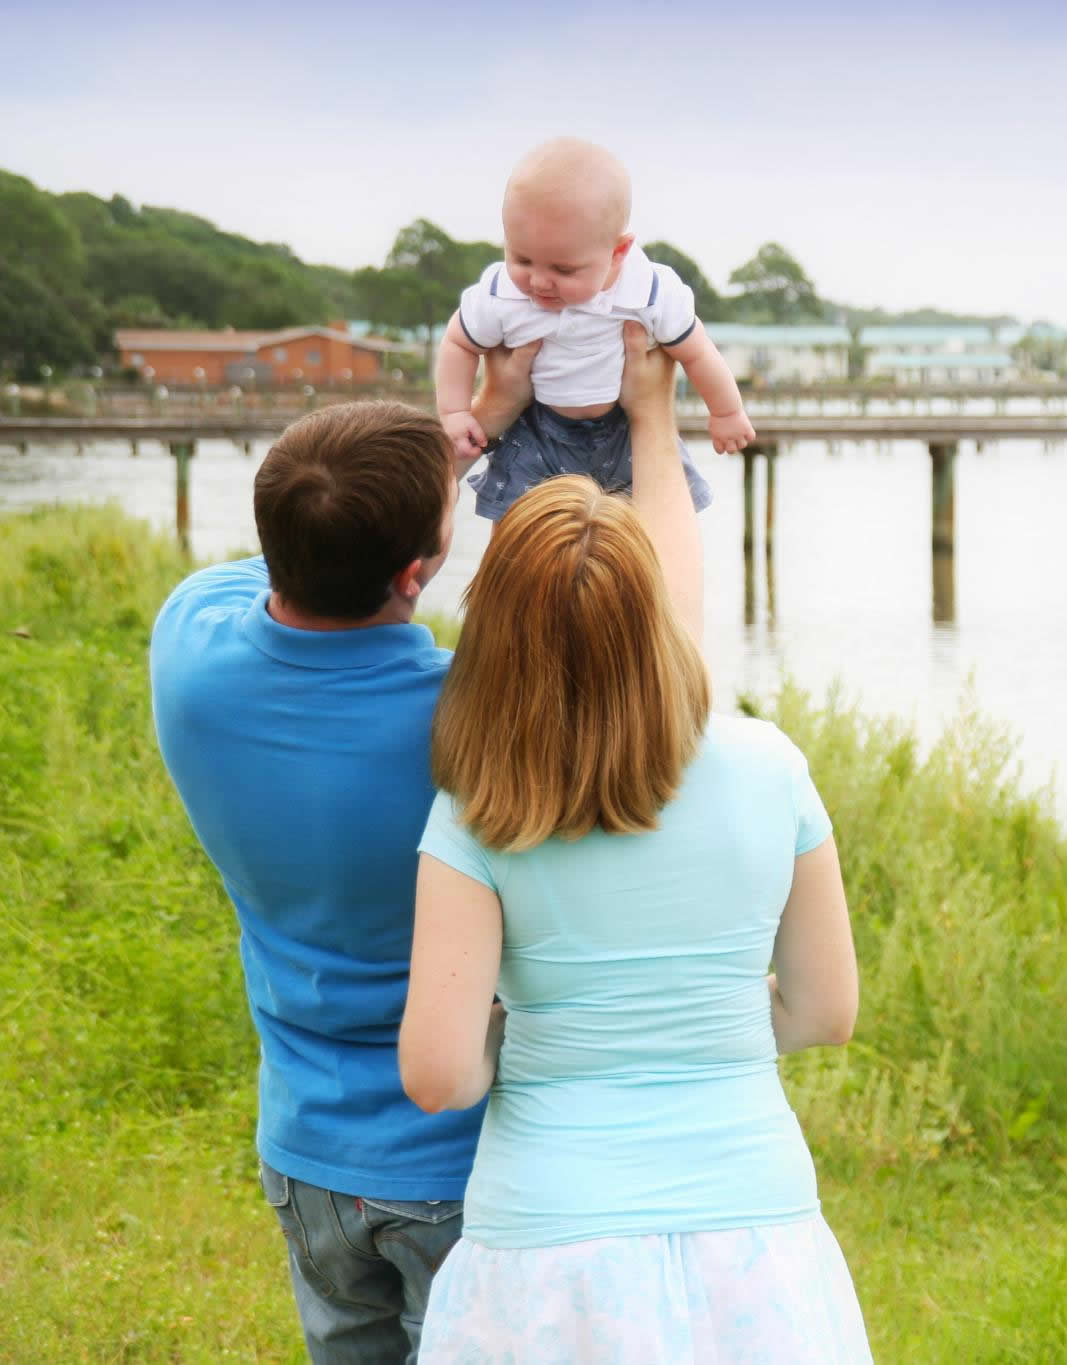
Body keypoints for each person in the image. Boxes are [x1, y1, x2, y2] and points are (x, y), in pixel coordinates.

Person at [401, 326, 872, 1362]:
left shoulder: (479, 810)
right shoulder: (768, 768)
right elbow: (824, 1012)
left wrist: (538, 1032)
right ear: (655, 619)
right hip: (754, 1223)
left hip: (550, 1236)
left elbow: (439, 1075)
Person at [149, 344, 541, 1364]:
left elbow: (303, 551)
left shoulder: (186, 650)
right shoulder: (476, 718)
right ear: (417, 572)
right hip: (459, 1153)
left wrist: (424, 473)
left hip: (305, 1150)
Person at [435, 136, 756, 524]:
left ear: (617, 253)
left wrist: (726, 411)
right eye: (522, 258)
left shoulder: (648, 290)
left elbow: (697, 351)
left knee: (652, 527)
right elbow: (458, 342)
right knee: (520, 529)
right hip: (538, 426)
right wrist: (454, 411)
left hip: (623, 431)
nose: (539, 281)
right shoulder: (500, 295)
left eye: (563, 269)